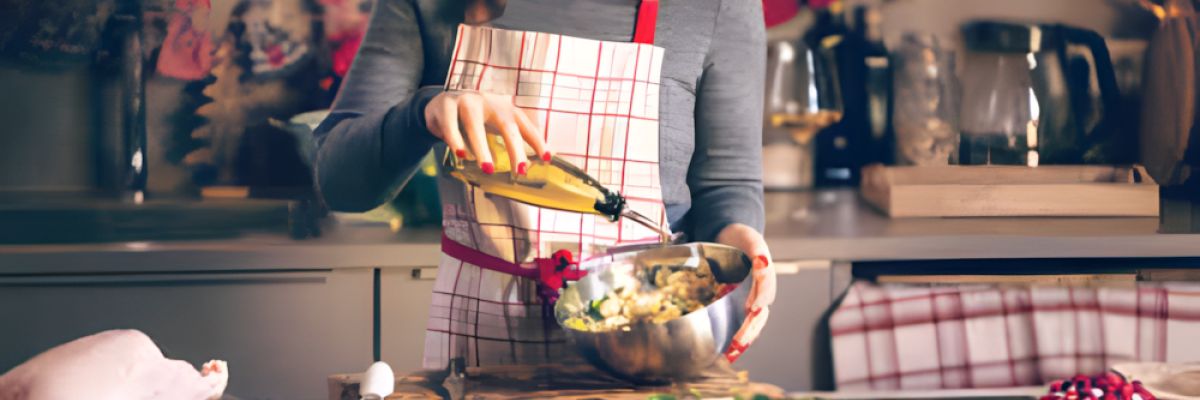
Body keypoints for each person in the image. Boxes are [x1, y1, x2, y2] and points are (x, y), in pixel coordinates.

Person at [313, 0, 776, 369]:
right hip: (478, 357)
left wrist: (739, 241)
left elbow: (725, 185)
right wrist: (424, 112)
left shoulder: (717, 5)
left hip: (648, 349)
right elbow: (338, 184)